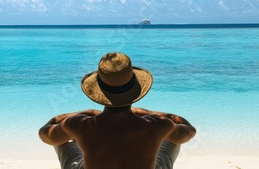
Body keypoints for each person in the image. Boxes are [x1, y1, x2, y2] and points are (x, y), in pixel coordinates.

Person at [39, 52, 196, 169]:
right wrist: (144, 113)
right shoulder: (156, 125)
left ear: (99, 89)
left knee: (61, 137)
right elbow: (189, 131)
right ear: (134, 89)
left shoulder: (80, 125)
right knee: (172, 136)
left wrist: (85, 113)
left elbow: (45, 134)